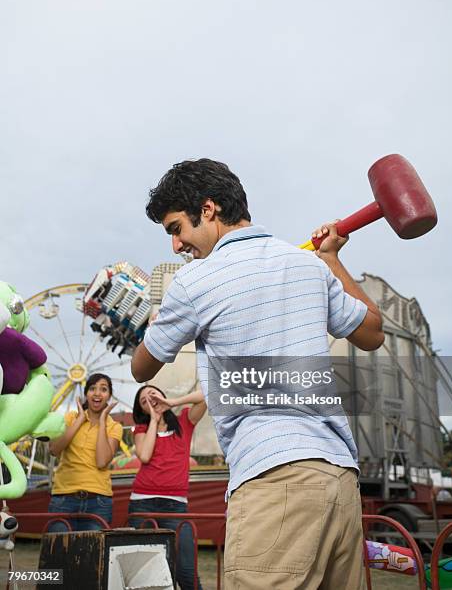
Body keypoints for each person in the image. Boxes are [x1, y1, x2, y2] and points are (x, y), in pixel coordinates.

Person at [131, 158, 385, 590]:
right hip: (339, 479)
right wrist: (331, 260)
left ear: (207, 210)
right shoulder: (307, 266)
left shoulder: (195, 282)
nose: (176, 245)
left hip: (273, 479)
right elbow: (373, 332)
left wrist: (158, 320)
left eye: (176, 228)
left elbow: (142, 367)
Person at [128, 385, 206, 590]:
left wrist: (173, 403)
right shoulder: (142, 429)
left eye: (153, 395)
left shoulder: (184, 421)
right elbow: (144, 455)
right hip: (142, 504)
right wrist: (154, 420)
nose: (150, 400)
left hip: (176, 506)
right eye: (144, 401)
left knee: (186, 570)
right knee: (144, 571)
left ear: (162, 396)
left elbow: (206, 393)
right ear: (141, 410)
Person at [48, 373, 122, 531]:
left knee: (93, 554)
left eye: (103, 389)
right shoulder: (70, 418)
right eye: (92, 388)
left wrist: (102, 421)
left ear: (109, 396)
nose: (97, 393)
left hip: (98, 500)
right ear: (86, 394)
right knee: (60, 552)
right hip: (64, 497)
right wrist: (80, 420)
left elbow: (102, 461)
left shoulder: (114, 427)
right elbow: (54, 449)